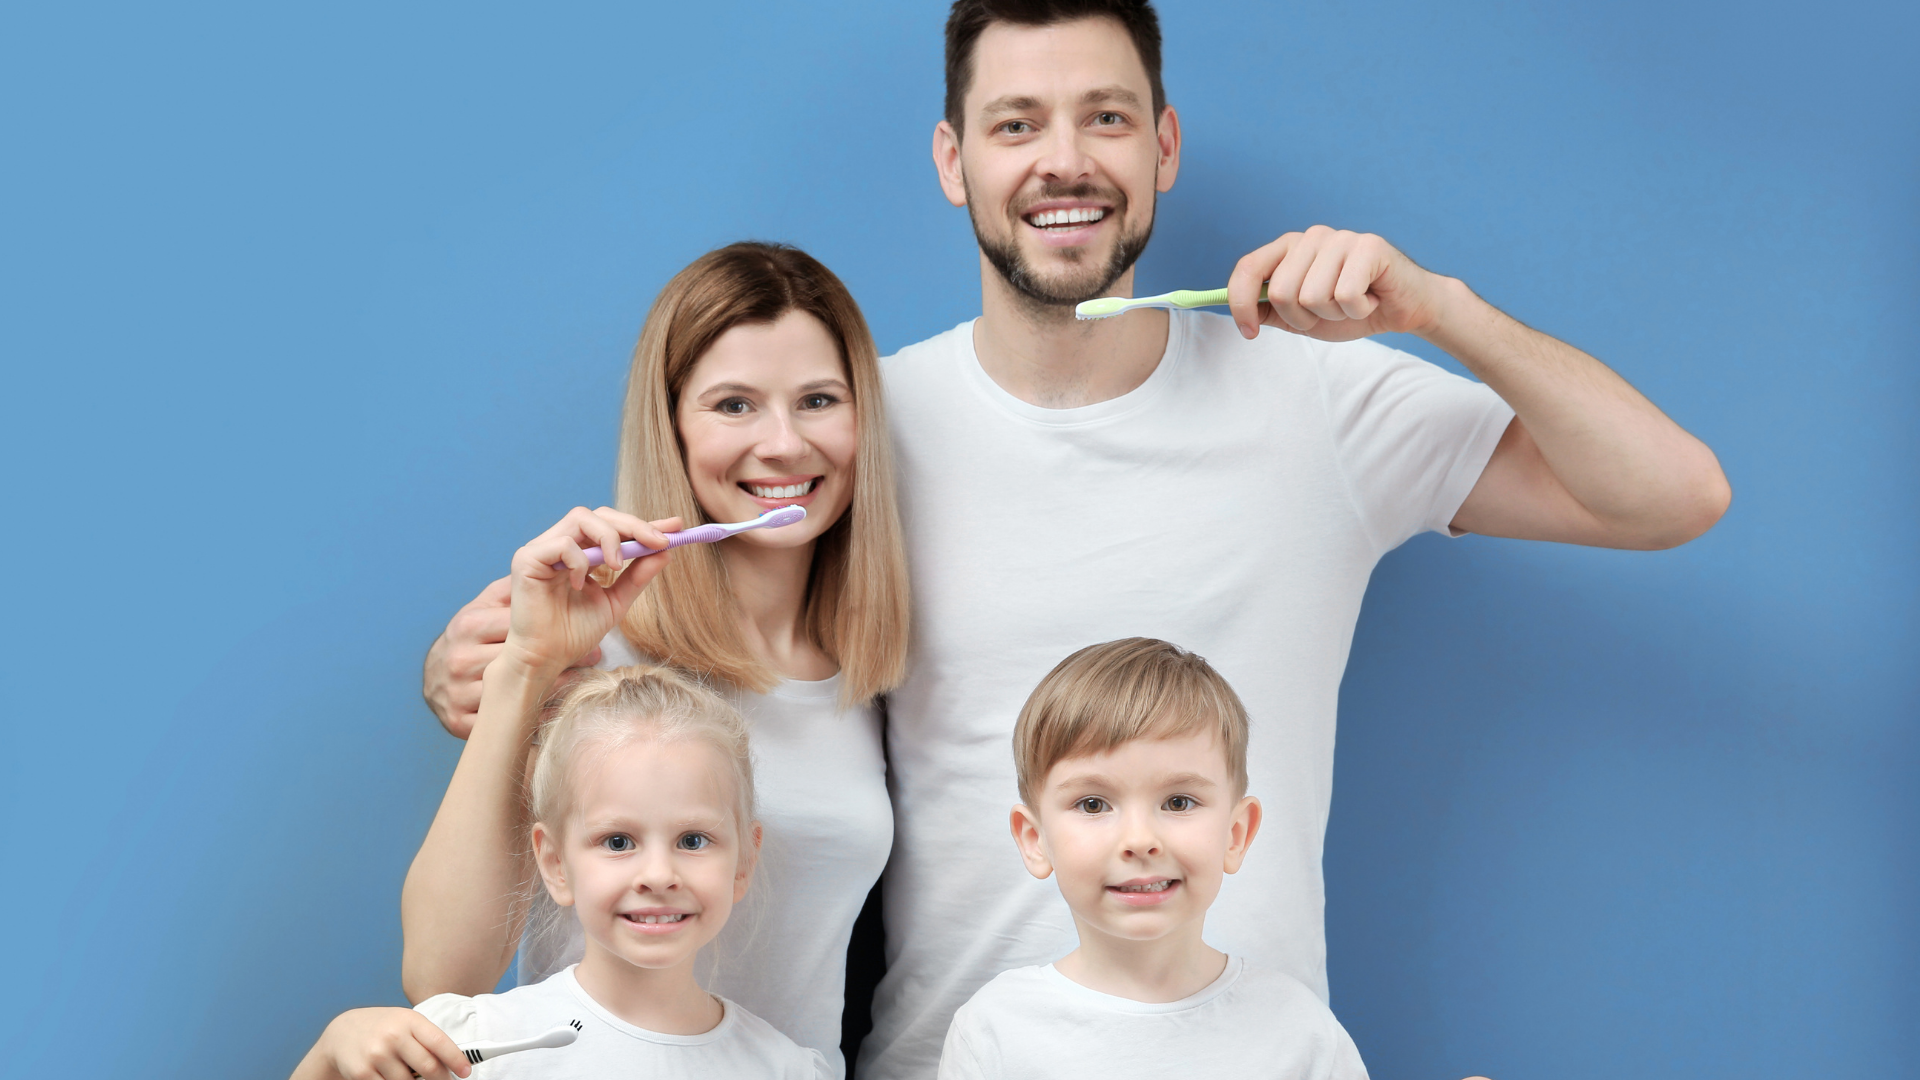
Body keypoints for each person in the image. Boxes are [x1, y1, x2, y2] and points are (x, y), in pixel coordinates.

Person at [425, 3, 1732, 1078]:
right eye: (1015, 124)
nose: (1063, 160)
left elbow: (1670, 496)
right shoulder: (863, 431)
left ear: (1163, 144)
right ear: (954, 161)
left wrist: (1434, 306)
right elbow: (701, 642)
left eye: (1105, 116)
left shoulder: (1320, 398)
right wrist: (500, 671)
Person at [403, 242, 910, 1080]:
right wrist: (524, 669)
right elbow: (440, 980)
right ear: (671, 424)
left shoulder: (878, 671)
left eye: (819, 400)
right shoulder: (586, 643)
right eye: (734, 405)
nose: (784, 445)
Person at [294, 660, 827, 1080]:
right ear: (554, 863)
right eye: (618, 841)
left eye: (693, 840)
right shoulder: (470, 1046)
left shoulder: (787, 1070)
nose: (660, 874)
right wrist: (330, 1051)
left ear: (745, 860)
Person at [938, 638, 1367, 1080]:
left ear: (1235, 834)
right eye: (1092, 804)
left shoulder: (1299, 1031)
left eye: (1178, 802)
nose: (1140, 841)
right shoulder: (995, 1030)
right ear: (1034, 839)